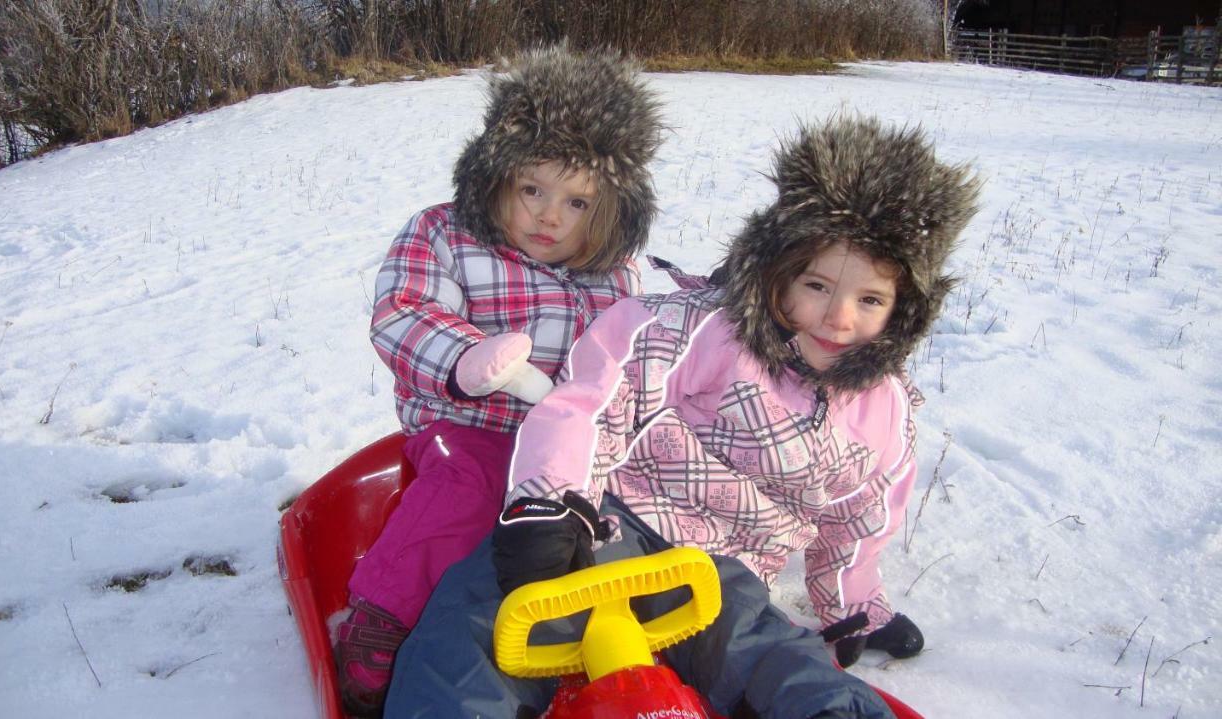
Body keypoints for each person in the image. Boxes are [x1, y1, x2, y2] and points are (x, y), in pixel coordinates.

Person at [386, 116, 979, 717]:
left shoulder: (883, 411)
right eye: (817, 285)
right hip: (607, 524)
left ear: (904, 311)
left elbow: (859, 519)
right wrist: (551, 500)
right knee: (480, 621)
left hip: (716, 576)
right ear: (777, 272)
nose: (840, 318)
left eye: (870, 300)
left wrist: (853, 608)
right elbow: (591, 404)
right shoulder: (700, 333)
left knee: (773, 654)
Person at [334, 45, 663, 717]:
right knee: (469, 490)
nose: (549, 217)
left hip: (569, 444)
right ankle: (383, 616)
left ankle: (609, 633)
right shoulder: (445, 234)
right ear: (497, 177)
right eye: (532, 190)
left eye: (577, 202)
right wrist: (465, 359)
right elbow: (402, 311)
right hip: (468, 424)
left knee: (618, 512)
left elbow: (630, 349)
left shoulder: (613, 273)